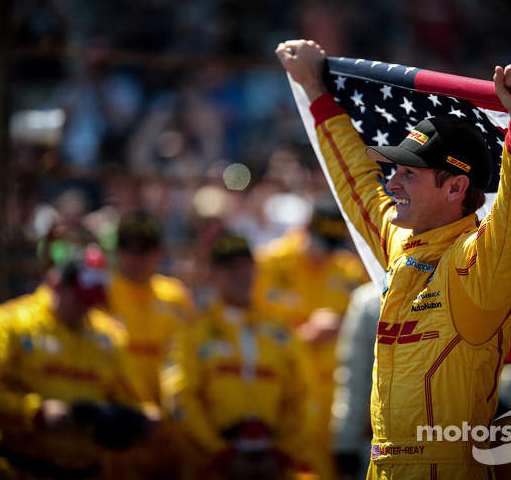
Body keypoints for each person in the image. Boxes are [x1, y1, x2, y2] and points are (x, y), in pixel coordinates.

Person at [275, 39, 511, 479]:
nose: (393, 184)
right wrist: (314, 90)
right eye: (396, 170)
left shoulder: (480, 263)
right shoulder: (401, 239)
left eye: (409, 173)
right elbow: (356, 184)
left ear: (456, 188)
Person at [0, 244, 153, 480]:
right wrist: (36, 412)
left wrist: (136, 418)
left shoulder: (110, 335)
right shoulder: (9, 325)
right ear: (58, 285)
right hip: (22, 469)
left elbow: (131, 397)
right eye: (81, 299)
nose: (86, 309)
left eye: (93, 302)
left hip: (88, 471)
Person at [161, 232, 313, 480]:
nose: (241, 274)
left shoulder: (281, 332)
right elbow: (179, 399)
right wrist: (220, 454)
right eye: (230, 267)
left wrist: (283, 453)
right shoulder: (191, 334)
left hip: (274, 467)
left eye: (246, 266)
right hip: (213, 469)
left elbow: (306, 398)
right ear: (212, 273)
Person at [252, 195, 369, 479]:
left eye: (332, 245)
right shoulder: (269, 263)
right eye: (320, 243)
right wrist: (303, 336)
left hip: (331, 399)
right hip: (282, 393)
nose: (325, 254)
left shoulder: (349, 270)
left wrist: (341, 323)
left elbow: (368, 324)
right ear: (305, 229)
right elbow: (251, 325)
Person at [104, 211, 195, 478]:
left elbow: (186, 358)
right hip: (120, 425)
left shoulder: (175, 297)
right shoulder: (102, 295)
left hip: (168, 427)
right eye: (127, 249)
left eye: (143, 249)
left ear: (158, 253)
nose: (135, 258)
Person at [330, 282, 381, 480]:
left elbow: (353, 380)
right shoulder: (368, 301)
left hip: (380, 445)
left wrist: (345, 447)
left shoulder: (368, 299)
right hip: (455, 437)